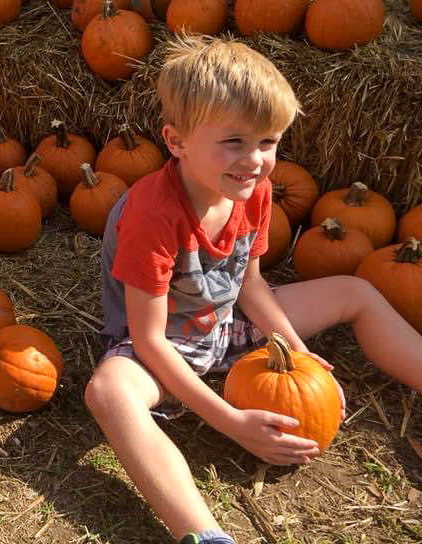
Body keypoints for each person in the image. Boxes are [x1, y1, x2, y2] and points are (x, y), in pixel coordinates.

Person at [83, 36, 422, 544]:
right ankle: (202, 534)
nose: (255, 160)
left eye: (267, 142)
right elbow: (149, 339)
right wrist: (231, 421)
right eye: (234, 142)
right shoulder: (152, 215)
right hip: (160, 349)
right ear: (177, 142)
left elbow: (250, 283)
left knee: (356, 289)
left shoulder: (253, 189)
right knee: (108, 393)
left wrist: (298, 354)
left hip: (225, 323)